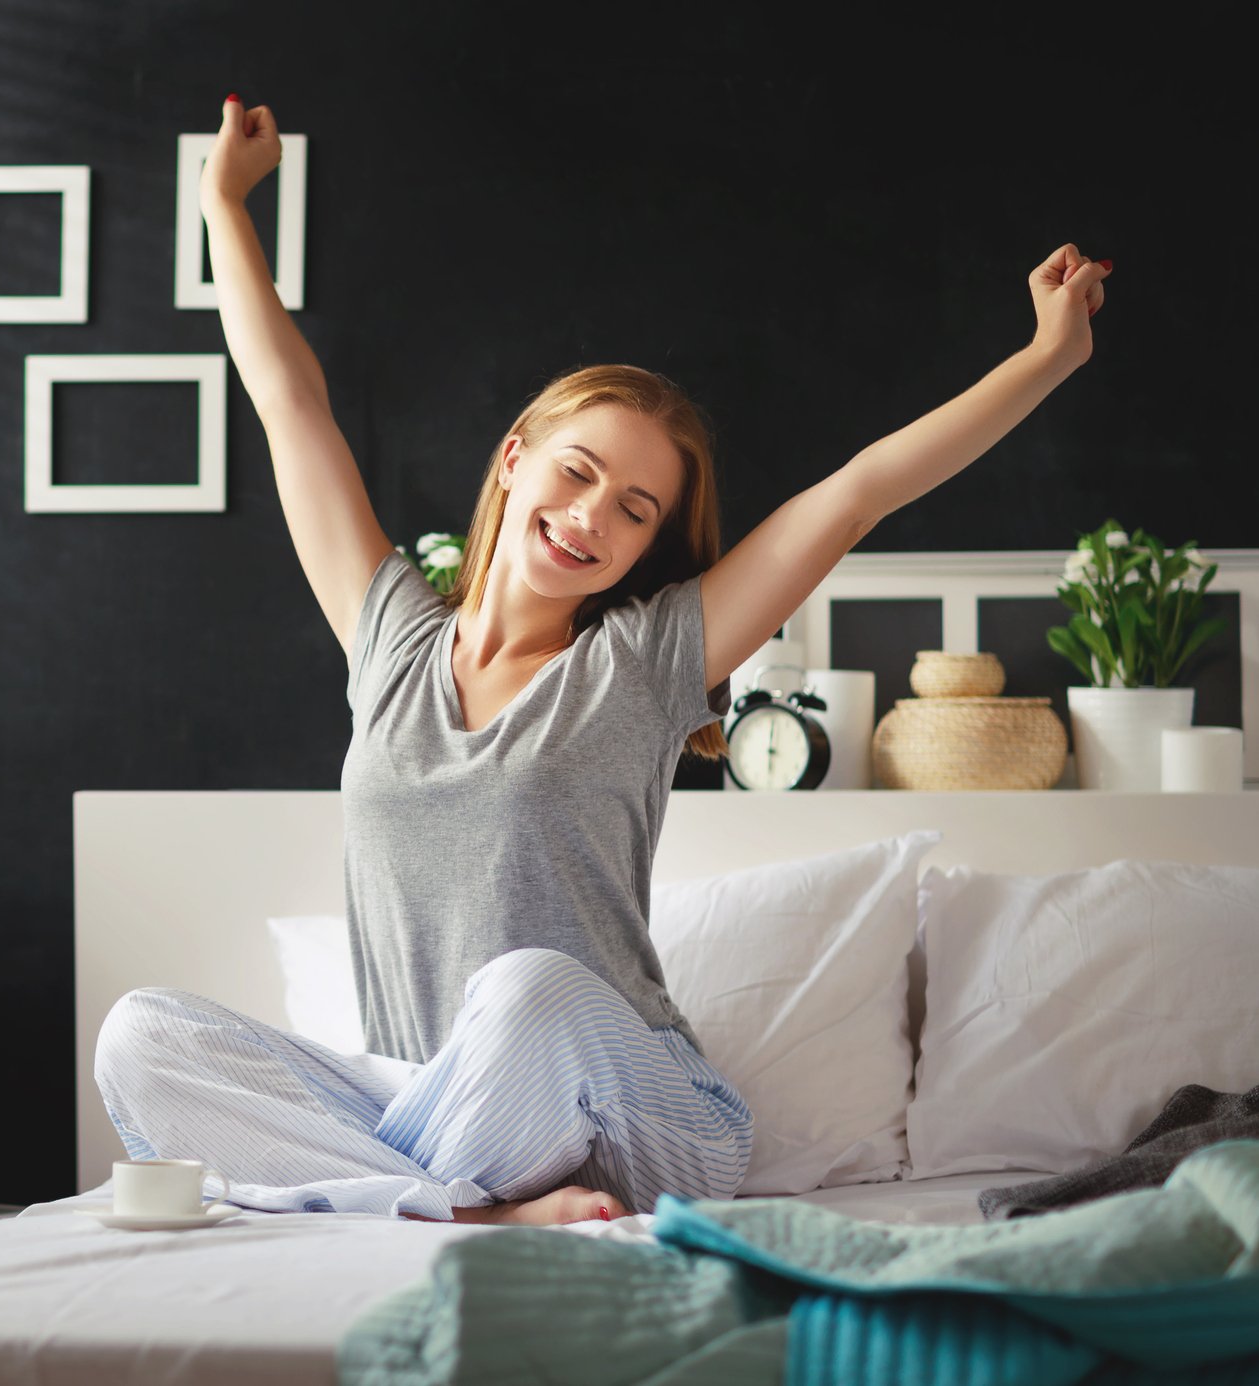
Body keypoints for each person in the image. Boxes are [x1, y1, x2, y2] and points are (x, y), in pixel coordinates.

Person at [92, 93, 1112, 1227]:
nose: (590, 519)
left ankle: (379, 1202)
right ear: (516, 458)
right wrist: (222, 200)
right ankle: (459, 1209)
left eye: (632, 510)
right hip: (425, 1101)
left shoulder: (640, 663)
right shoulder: (388, 639)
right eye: (576, 474)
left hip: (640, 1114)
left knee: (524, 987)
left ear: (647, 545)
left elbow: (856, 491)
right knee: (143, 1033)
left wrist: (1046, 358)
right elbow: (289, 402)